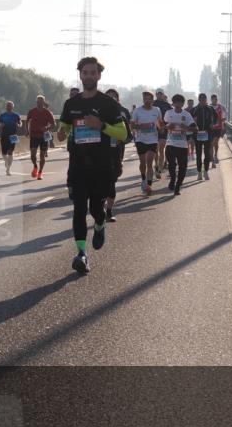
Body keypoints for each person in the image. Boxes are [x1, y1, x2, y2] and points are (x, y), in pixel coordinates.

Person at [56, 58, 128, 274]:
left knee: (96, 209)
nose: (88, 76)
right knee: (78, 208)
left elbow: (123, 134)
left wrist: (102, 125)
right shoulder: (71, 104)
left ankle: (99, 224)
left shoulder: (108, 103)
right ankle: (81, 253)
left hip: (102, 165)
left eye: (92, 72)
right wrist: (62, 133)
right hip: (78, 164)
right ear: (80, 75)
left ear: (99, 75)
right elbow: (65, 127)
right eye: (85, 72)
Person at [102, 89, 131, 222]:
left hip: (115, 155)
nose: (111, 99)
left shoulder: (121, 117)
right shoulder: (97, 116)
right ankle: (102, 206)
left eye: (114, 97)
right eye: (108, 97)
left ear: (118, 100)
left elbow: (129, 137)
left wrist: (121, 138)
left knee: (111, 183)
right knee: (100, 183)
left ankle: (108, 211)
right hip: (98, 155)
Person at [131, 91, 162, 196]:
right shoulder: (137, 111)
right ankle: (143, 178)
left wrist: (161, 128)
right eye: (145, 98)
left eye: (149, 98)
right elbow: (132, 126)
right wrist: (141, 127)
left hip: (153, 139)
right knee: (142, 163)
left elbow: (159, 122)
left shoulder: (157, 110)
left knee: (149, 162)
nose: (147, 100)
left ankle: (149, 185)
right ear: (143, 99)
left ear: (153, 100)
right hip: (140, 140)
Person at [163, 94, 195, 195]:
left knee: (183, 167)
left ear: (182, 103)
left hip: (182, 145)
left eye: (180, 102)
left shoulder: (187, 115)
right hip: (170, 144)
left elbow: (195, 129)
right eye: (175, 102)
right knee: (171, 165)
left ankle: (178, 186)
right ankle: (173, 179)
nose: (177, 104)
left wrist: (186, 128)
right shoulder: (168, 113)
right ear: (173, 103)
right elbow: (163, 125)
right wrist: (168, 127)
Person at [25, 94, 56, 179]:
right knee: (32, 155)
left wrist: (47, 127)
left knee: (42, 155)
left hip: (43, 136)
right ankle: (35, 166)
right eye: (38, 102)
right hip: (34, 135)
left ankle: (40, 172)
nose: (39, 103)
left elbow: (54, 124)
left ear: (43, 102)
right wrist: (27, 131)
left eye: (41, 102)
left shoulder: (47, 112)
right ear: (36, 102)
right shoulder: (31, 111)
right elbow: (27, 121)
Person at [191, 93, 218, 180]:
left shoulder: (210, 109)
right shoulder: (195, 109)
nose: (202, 101)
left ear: (206, 100)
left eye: (204, 99)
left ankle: (206, 171)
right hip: (198, 134)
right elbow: (190, 121)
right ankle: (199, 172)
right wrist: (194, 127)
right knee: (198, 154)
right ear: (199, 100)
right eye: (201, 99)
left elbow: (216, 118)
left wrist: (212, 124)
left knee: (207, 154)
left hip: (208, 134)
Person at [0, 101, 22, 175]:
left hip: (13, 136)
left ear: (12, 107)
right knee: (4, 153)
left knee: (10, 152)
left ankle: (8, 169)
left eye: (10, 106)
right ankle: (6, 161)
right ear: (6, 107)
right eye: (7, 106)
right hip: (4, 135)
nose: (9, 107)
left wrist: (19, 125)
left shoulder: (16, 115)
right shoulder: (2, 115)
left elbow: (20, 122)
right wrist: (0, 124)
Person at [152, 90, 171, 179]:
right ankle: (156, 165)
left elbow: (171, 117)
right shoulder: (153, 103)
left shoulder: (167, 105)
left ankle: (160, 168)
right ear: (156, 95)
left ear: (163, 95)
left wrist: (166, 127)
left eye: (161, 94)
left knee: (161, 149)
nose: (159, 95)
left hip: (164, 129)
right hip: (153, 129)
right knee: (155, 150)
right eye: (158, 94)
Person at [210, 93, 227, 167]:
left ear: (217, 99)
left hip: (219, 127)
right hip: (211, 128)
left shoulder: (221, 107)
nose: (215, 100)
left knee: (216, 142)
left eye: (216, 99)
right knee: (211, 143)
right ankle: (212, 158)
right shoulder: (209, 107)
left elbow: (225, 115)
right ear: (211, 99)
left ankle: (216, 155)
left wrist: (224, 119)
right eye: (213, 99)